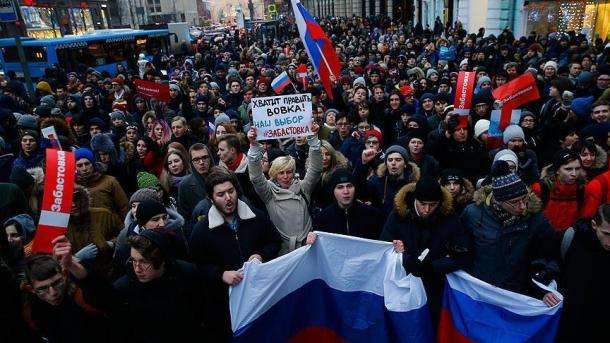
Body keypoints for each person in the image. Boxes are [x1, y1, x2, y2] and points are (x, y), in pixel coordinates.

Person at [189, 170, 281, 341]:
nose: (228, 198)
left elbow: (274, 242)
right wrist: (220, 274)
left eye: (231, 191)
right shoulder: (201, 231)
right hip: (225, 308)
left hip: (260, 298)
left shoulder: (256, 217)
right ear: (211, 199)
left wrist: (261, 255)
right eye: (221, 194)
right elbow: (197, 266)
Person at [461, 161, 561, 306]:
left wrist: (543, 289)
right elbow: (463, 251)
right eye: (514, 202)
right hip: (481, 292)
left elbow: (548, 258)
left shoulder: (536, 220)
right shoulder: (473, 214)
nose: (522, 207)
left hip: (517, 295)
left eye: (524, 199)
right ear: (498, 200)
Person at [380, 177, 471, 326]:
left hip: (436, 288)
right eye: (423, 204)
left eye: (432, 205)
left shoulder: (449, 218)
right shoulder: (399, 216)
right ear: (414, 200)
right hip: (402, 286)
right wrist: (405, 259)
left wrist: (432, 266)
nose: (427, 210)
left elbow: (463, 255)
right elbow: (384, 247)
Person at [113, 230, 205, 342]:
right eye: (133, 260)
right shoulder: (123, 289)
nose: (137, 269)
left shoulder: (186, 274)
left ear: (161, 260)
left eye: (144, 262)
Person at [21, 236, 114, 343]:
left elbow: (108, 298)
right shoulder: (30, 312)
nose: (53, 292)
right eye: (42, 288)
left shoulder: (80, 297)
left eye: (57, 283)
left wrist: (72, 264)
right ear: (31, 289)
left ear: (64, 275)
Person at [247, 123, 322, 254]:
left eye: (289, 172)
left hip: (308, 246)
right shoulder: (269, 192)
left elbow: (315, 169)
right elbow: (256, 177)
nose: (286, 176)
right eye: (281, 173)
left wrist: (313, 139)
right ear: (274, 174)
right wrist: (254, 146)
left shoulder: (303, 187)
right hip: (283, 250)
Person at [556, 204, 610, 342]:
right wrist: (547, 292)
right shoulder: (573, 239)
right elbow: (550, 269)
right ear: (594, 225)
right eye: (606, 234)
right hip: (571, 323)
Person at [312, 168, 384, 239]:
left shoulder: (372, 215)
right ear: (333, 191)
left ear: (355, 188)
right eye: (340, 187)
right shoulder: (322, 218)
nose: (346, 191)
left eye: (349, 186)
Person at [532, 149, 586, 231]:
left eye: (577, 168)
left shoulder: (581, 188)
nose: (574, 174)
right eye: (568, 169)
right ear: (557, 170)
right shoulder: (541, 188)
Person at [74, 148, 129, 219]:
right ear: (75, 167)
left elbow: (124, 206)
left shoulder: (110, 181)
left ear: (93, 164)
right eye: (80, 165)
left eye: (87, 164)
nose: (84, 168)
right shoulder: (72, 186)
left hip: (110, 226)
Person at [178, 143, 214, 232]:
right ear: (191, 162)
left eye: (204, 158)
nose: (201, 162)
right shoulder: (185, 185)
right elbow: (184, 218)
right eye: (196, 159)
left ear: (210, 158)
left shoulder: (224, 176)